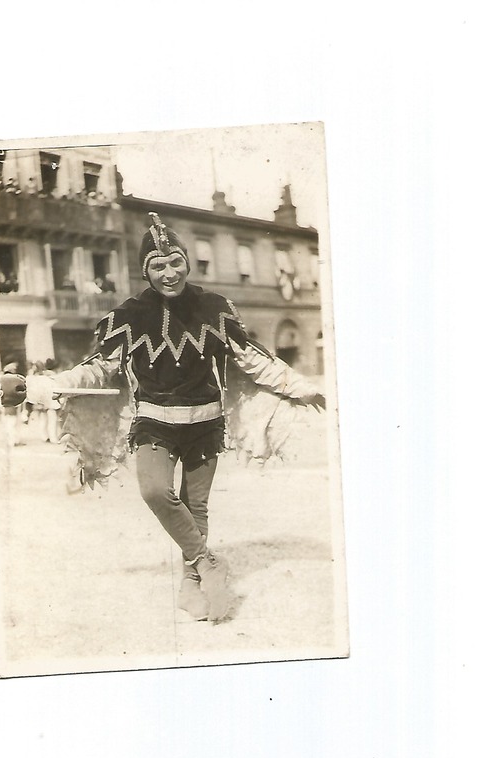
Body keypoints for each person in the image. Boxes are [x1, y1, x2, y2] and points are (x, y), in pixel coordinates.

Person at [54, 213, 325, 623]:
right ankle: (206, 560)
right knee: (155, 492)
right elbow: (96, 367)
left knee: (196, 507)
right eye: (158, 266)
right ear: (146, 270)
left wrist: (303, 387)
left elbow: (253, 360)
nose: (169, 274)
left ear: (187, 262)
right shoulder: (128, 315)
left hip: (206, 424)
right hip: (154, 424)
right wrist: (42, 385)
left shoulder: (214, 308)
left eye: (176, 262)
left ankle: (191, 583)